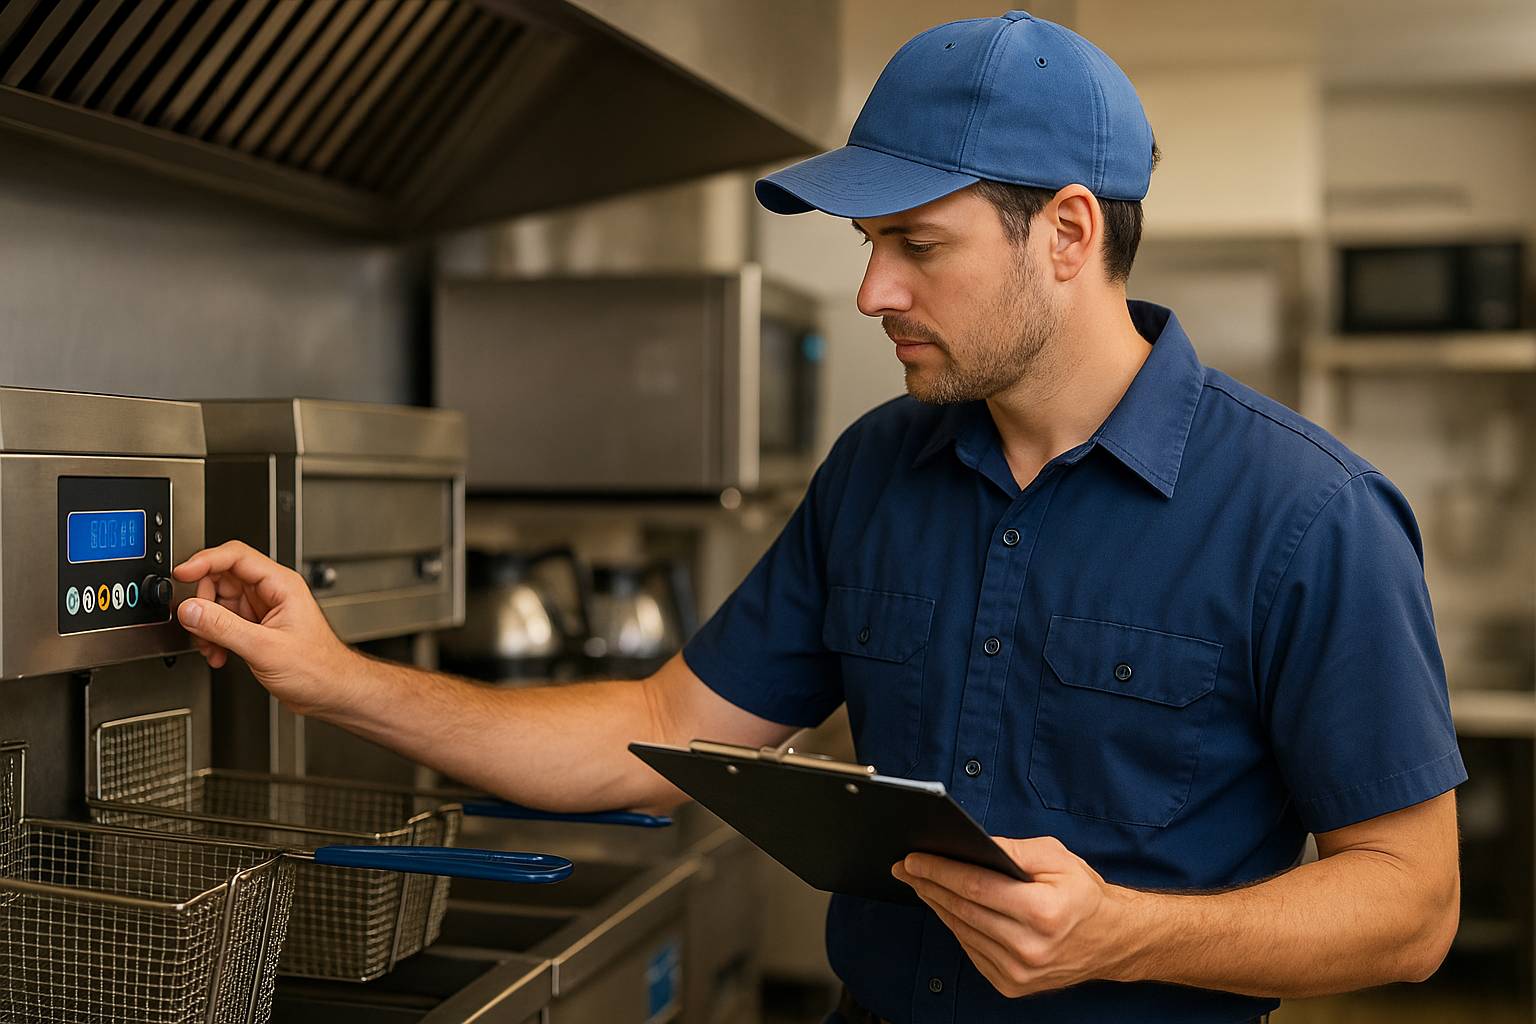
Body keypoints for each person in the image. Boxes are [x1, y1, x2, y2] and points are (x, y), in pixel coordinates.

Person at [173, 10, 1464, 1024]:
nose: (870, 292)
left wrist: (1126, 930)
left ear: (1067, 233)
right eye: (866, 243)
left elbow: (1411, 909)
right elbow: (656, 731)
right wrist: (335, 678)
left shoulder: (1309, 514)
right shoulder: (875, 470)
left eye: (916, 243)